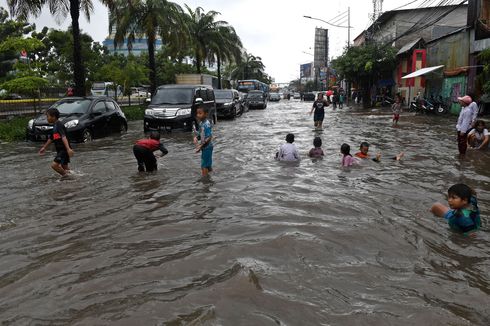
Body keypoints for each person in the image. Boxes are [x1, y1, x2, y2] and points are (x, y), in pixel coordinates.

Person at [38, 108, 74, 176]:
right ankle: (74, 177)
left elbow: (63, 137)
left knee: (54, 165)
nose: (47, 118)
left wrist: (68, 149)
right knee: (65, 167)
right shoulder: (55, 126)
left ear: (53, 117)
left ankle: (67, 177)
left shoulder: (59, 125)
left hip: (63, 150)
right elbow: (51, 138)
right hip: (60, 150)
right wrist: (44, 148)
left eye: (48, 116)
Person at [194, 106, 214, 176]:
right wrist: (197, 137)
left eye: (200, 113)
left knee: (203, 166)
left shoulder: (206, 124)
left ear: (205, 114)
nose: (198, 115)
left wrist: (200, 146)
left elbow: (209, 137)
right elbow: (201, 135)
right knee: (207, 164)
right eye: (197, 113)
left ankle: (205, 182)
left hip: (207, 147)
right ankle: (212, 175)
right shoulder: (201, 123)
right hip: (205, 147)